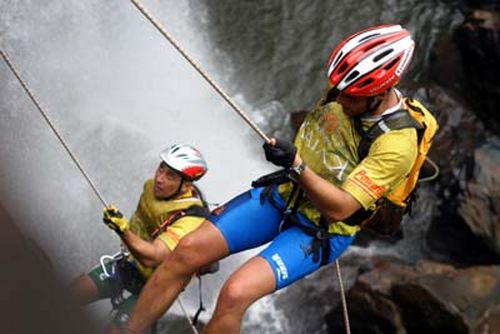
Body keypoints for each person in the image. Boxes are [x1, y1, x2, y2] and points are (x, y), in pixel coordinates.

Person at [124, 24, 425, 334]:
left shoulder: (396, 144)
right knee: (185, 252)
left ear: (378, 94)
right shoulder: (341, 91)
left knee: (234, 294)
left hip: (318, 231)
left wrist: (295, 164)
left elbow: (340, 209)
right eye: (338, 90)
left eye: (350, 97)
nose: (339, 100)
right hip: (281, 195)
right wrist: (293, 164)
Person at [69, 144, 211, 334]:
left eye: (171, 176)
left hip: (153, 287)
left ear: (186, 185)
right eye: (162, 168)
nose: (160, 179)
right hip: (127, 265)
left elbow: (152, 256)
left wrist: (123, 231)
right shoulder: (151, 187)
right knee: (70, 296)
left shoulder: (192, 220)